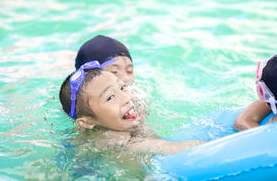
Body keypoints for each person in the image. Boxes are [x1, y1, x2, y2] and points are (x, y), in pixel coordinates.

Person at [59, 59, 203, 155]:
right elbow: (174, 149)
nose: (126, 98)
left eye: (122, 87)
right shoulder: (118, 143)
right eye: (110, 97)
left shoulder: (125, 121)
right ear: (87, 122)